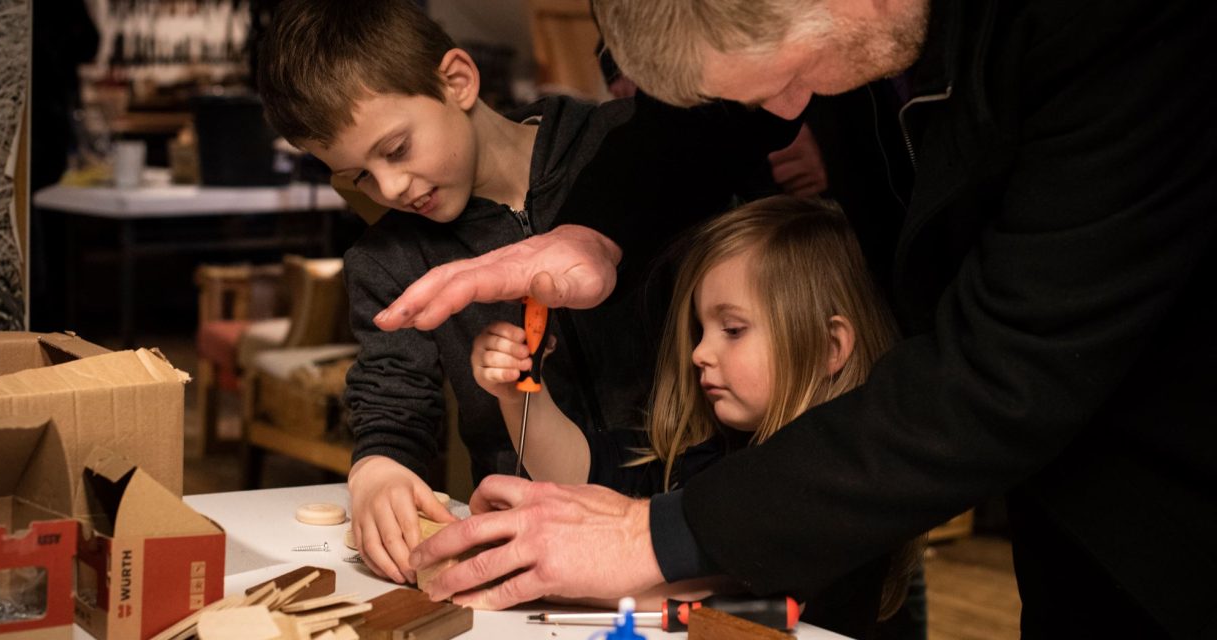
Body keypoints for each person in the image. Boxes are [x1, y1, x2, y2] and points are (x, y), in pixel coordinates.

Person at [388, 0, 1217, 635]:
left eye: (792, 76)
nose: (789, 113)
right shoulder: (823, 34)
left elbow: (1007, 372)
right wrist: (593, 234)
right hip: (1069, 507)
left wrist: (659, 540)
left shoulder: (1112, 30)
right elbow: (705, 118)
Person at [255, 0, 799, 588]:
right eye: (358, 175)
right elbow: (393, 397)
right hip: (541, 552)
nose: (389, 188)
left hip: (716, 527)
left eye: (395, 150)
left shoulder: (629, 151)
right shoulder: (388, 258)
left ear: (457, 80)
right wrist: (379, 467)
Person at [474, 196, 922, 637]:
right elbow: (582, 470)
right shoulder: (707, 453)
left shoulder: (841, 491)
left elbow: (730, 605)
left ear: (830, 346)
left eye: (733, 330)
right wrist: (518, 397)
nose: (699, 353)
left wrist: (564, 575)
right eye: (701, 331)